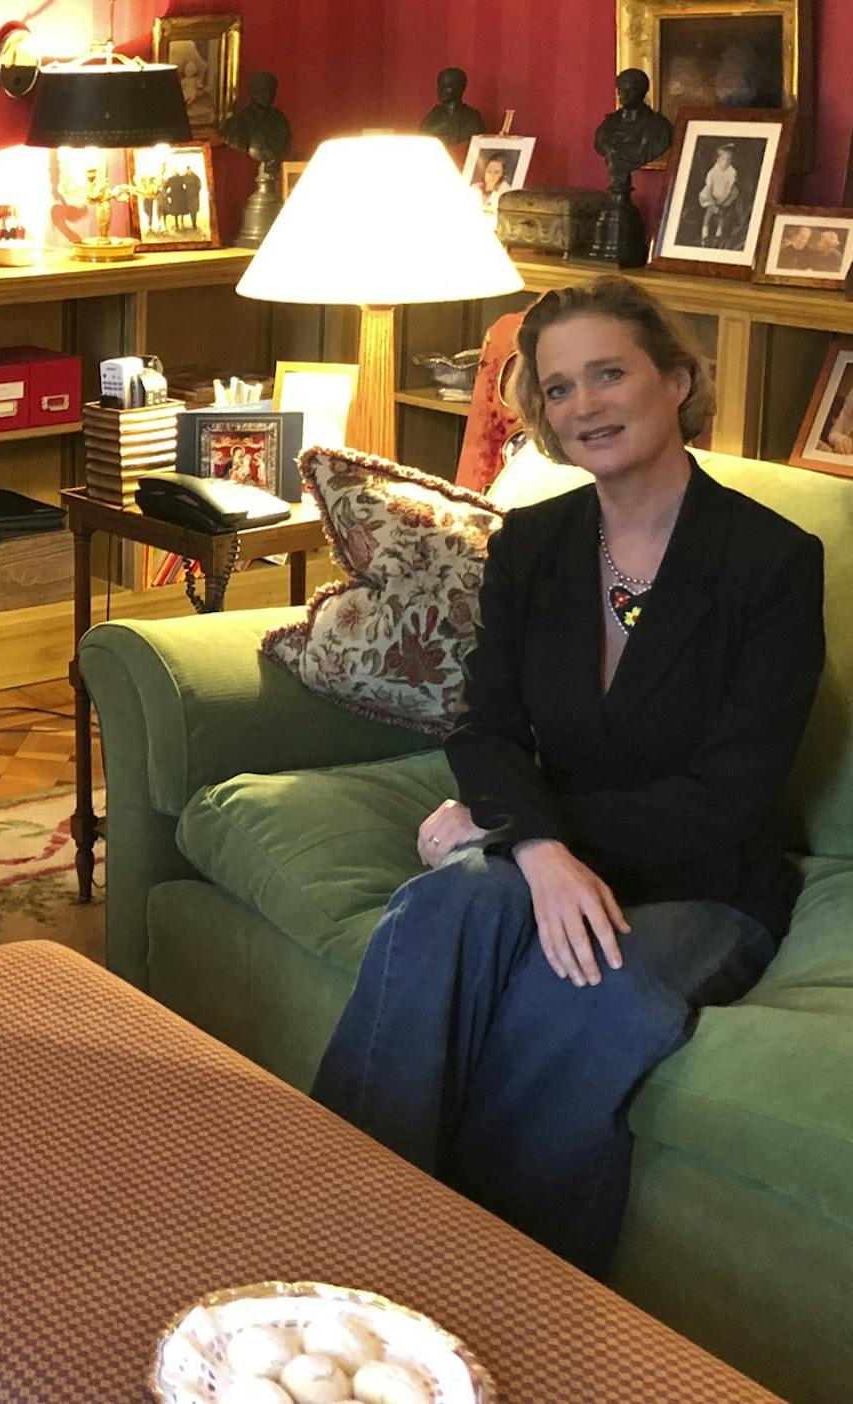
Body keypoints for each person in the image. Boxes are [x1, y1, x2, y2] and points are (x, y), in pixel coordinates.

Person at [310, 278, 826, 1274]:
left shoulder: (770, 562)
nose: (583, 404)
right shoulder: (534, 545)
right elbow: (487, 722)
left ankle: (498, 1284)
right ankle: (345, 1234)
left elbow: (730, 797)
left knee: (587, 988)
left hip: (704, 883)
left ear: (676, 379)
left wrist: (529, 832)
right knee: (441, 909)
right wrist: (533, 848)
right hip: (553, 850)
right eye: (557, 388)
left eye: (608, 373)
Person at [595, 68, 674, 199]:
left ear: (642, 93)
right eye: (620, 90)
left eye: (629, 90)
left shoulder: (659, 127)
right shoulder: (607, 126)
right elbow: (601, 144)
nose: (623, 95)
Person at [418, 65, 486, 147]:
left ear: (458, 88)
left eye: (446, 87)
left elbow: (468, 143)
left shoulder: (472, 117)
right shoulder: (434, 114)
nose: (440, 90)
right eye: (440, 85)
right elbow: (422, 137)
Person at [695, 143, 741, 247]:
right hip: (711, 196)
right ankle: (704, 235)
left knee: (722, 213)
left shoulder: (732, 172)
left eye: (729, 159)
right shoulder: (712, 172)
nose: (726, 162)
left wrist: (722, 202)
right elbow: (708, 190)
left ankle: (718, 235)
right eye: (723, 159)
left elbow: (729, 190)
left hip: (724, 196)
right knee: (710, 211)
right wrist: (714, 203)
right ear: (718, 159)